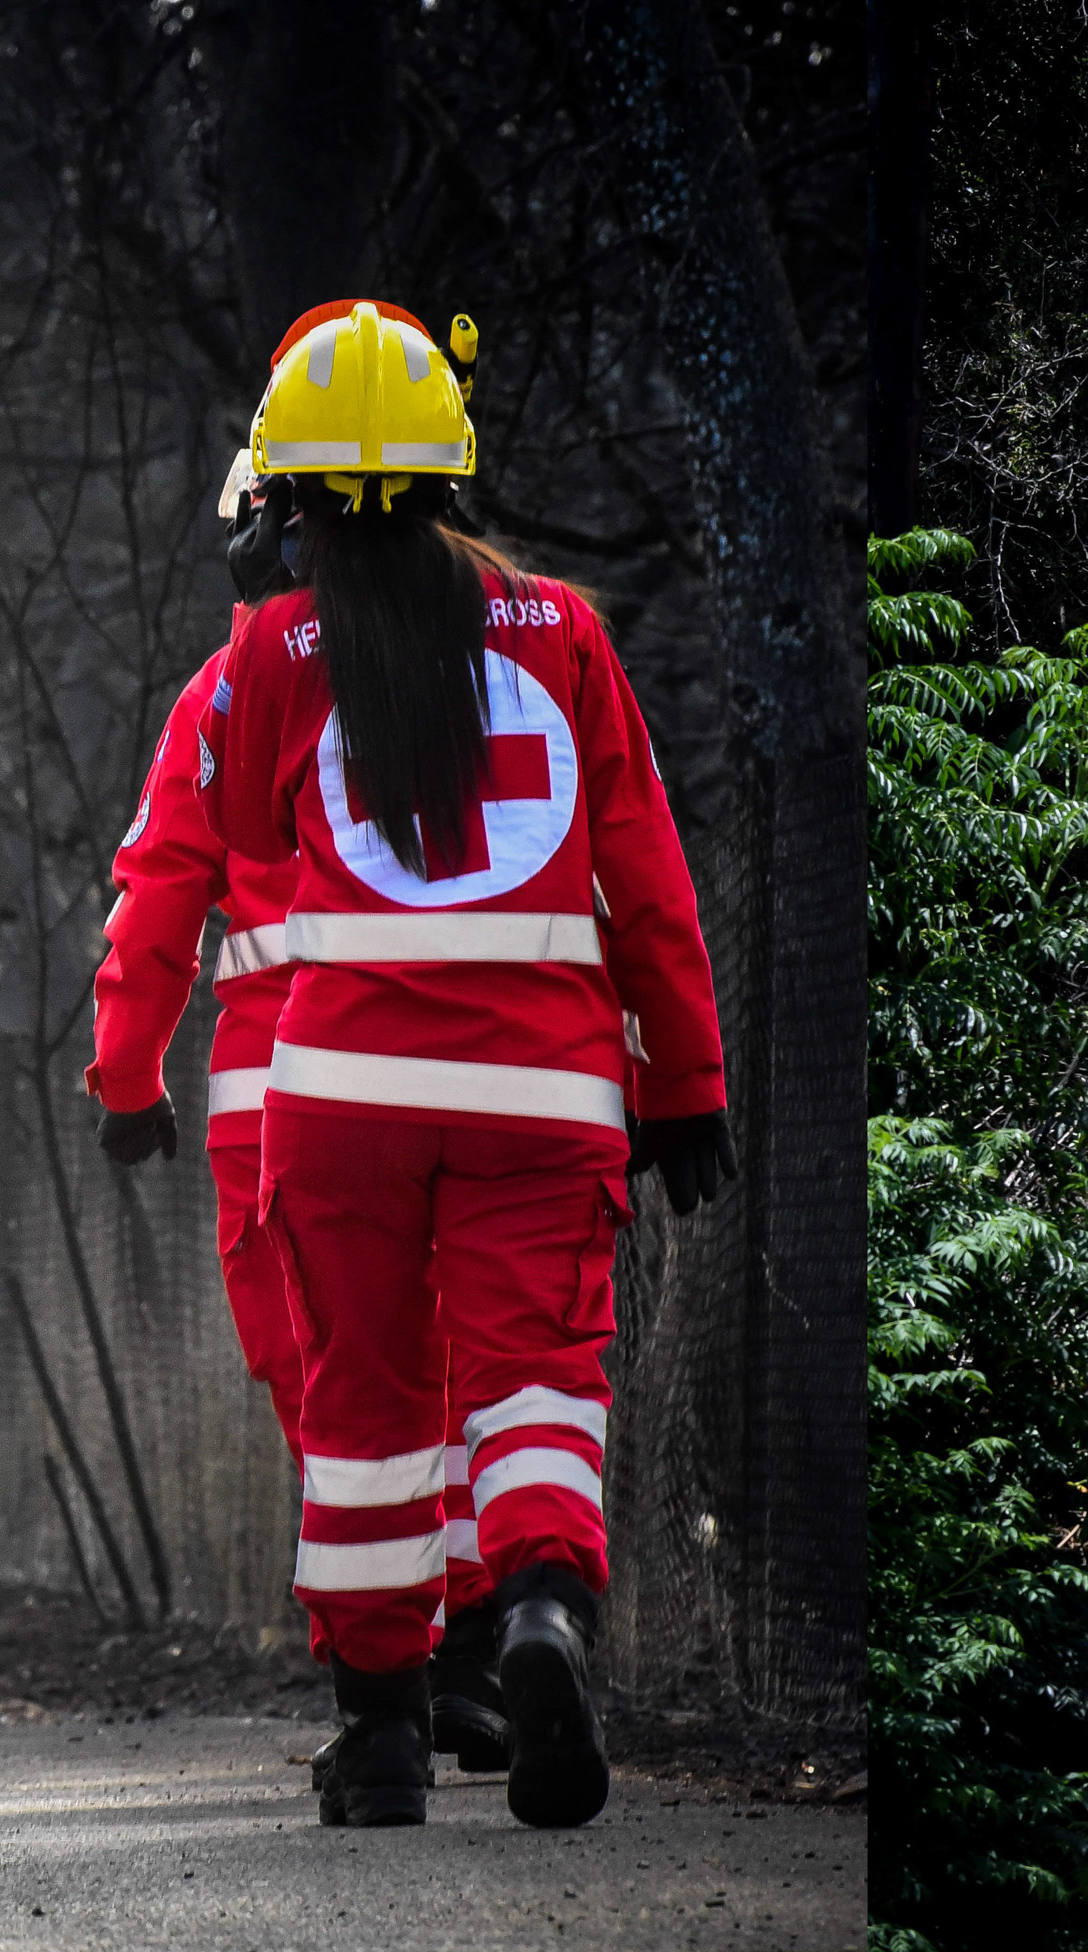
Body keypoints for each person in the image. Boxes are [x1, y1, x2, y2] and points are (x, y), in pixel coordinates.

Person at [147, 300, 728, 1828]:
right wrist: (687, 1085)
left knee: (367, 1404)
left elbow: (261, 840)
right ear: (452, 468)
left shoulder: (272, 651)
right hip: (547, 1087)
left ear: (284, 485)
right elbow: (646, 879)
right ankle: (540, 1613)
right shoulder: (568, 632)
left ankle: (384, 1732)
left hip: (338, 1092)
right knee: (537, 1379)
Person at [89, 564, 522, 1777]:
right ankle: (479, 1634)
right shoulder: (504, 662)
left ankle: (410, 1655)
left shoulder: (233, 689)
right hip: (491, 1060)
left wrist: (125, 1076)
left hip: (290, 1082)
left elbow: (160, 889)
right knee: (480, 1359)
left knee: (340, 1376)